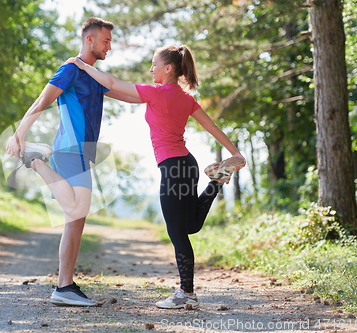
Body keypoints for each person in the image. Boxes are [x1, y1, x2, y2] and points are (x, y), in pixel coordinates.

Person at [66, 45, 246, 309]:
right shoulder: (183, 98)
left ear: (168, 68)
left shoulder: (156, 93)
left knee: (178, 232)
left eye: (154, 64)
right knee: (190, 226)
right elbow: (212, 126)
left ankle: (186, 293)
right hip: (188, 165)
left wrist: (83, 66)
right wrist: (236, 153)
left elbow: (115, 82)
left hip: (173, 169)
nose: (151, 69)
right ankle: (217, 181)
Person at [5, 17, 139, 307]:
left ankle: (64, 286)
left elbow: (130, 96)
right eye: (106, 41)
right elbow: (42, 100)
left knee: (75, 219)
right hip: (69, 148)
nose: (110, 47)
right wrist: (18, 135)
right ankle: (36, 161)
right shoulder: (70, 70)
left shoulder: (92, 75)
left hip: (81, 151)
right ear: (89, 39)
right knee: (77, 210)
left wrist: (161, 91)